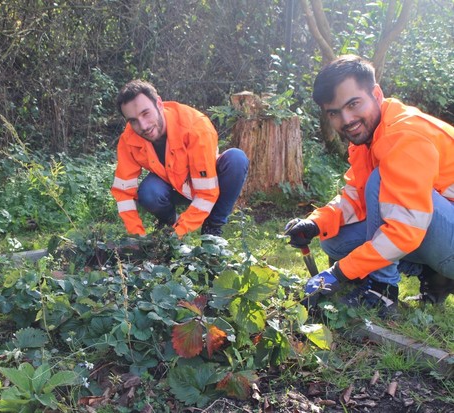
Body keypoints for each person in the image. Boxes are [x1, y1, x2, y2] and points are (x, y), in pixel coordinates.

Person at [285, 55, 454, 317]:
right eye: (335, 112)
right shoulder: (369, 137)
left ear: (376, 93)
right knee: (335, 242)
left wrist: (339, 272)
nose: (347, 119)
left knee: (380, 180)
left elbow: (405, 229)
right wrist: (316, 223)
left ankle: (382, 291)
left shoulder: (403, 135)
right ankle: (434, 275)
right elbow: (357, 198)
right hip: (438, 229)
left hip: (440, 234)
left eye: (353, 104)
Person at [111, 80, 249, 238]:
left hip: (206, 181)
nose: (143, 126)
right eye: (133, 120)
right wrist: (137, 235)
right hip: (171, 184)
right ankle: (169, 222)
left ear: (159, 104)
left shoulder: (196, 126)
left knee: (236, 160)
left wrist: (179, 233)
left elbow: (206, 193)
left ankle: (213, 227)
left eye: (146, 113)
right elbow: (123, 193)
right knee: (149, 192)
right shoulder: (128, 139)